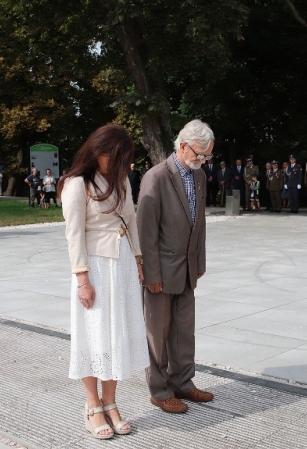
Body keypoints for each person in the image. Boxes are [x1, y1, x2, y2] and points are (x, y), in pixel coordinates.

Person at [59, 124, 148, 439]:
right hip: (94, 267)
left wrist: (137, 259)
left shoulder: (121, 179)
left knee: (116, 335)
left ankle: (112, 403)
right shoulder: (75, 184)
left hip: (121, 264)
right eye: (116, 156)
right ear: (98, 150)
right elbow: (74, 235)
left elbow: (132, 220)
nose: (119, 163)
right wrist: (82, 278)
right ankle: (93, 405)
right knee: (93, 335)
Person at [138, 119, 214, 414]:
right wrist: (151, 274)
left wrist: (200, 261)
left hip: (187, 267)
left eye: (207, 156)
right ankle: (159, 391)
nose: (203, 160)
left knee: (184, 330)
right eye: (199, 154)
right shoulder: (155, 177)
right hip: (161, 270)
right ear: (182, 146)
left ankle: (183, 382)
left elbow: (201, 224)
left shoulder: (199, 176)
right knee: (157, 334)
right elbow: (146, 231)